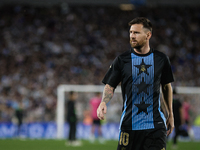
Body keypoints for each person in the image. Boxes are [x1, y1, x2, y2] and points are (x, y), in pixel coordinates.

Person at [97, 17, 174, 150]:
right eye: (131, 32)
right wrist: (103, 102)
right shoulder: (122, 60)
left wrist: (170, 114)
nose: (132, 36)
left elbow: (166, 87)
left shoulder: (161, 59)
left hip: (155, 125)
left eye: (136, 33)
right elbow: (110, 85)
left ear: (148, 35)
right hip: (129, 125)